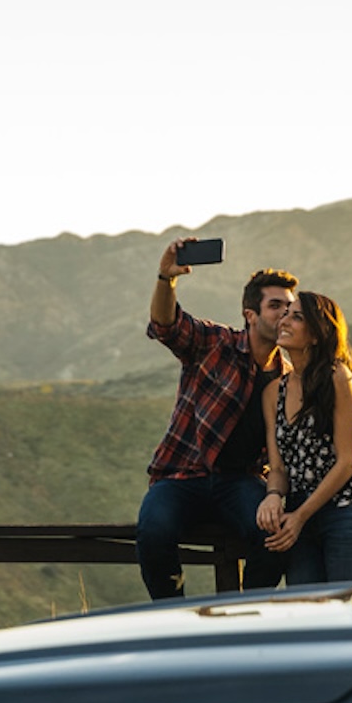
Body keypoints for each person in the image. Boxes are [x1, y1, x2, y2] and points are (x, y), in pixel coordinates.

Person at [135, 238, 297, 599]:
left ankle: (240, 614)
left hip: (240, 481)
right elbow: (166, 324)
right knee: (153, 531)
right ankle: (172, 616)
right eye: (275, 306)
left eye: (289, 306)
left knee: (274, 537)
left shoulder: (288, 376)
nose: (285, 314)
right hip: (182, 473)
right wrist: (166, 278)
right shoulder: (216, 343)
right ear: (250, 314)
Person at [258, 290, 352, 584]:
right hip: (301, 518)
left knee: (347, 616)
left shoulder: (339, 377)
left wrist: (300, 516)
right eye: (285, 314)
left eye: (297, 317)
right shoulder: (273, 393)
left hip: (351, 510)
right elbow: (278, 468)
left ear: (317, 334)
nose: (285, 320)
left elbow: (347, 461)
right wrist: (273, 496)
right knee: (305, 613)